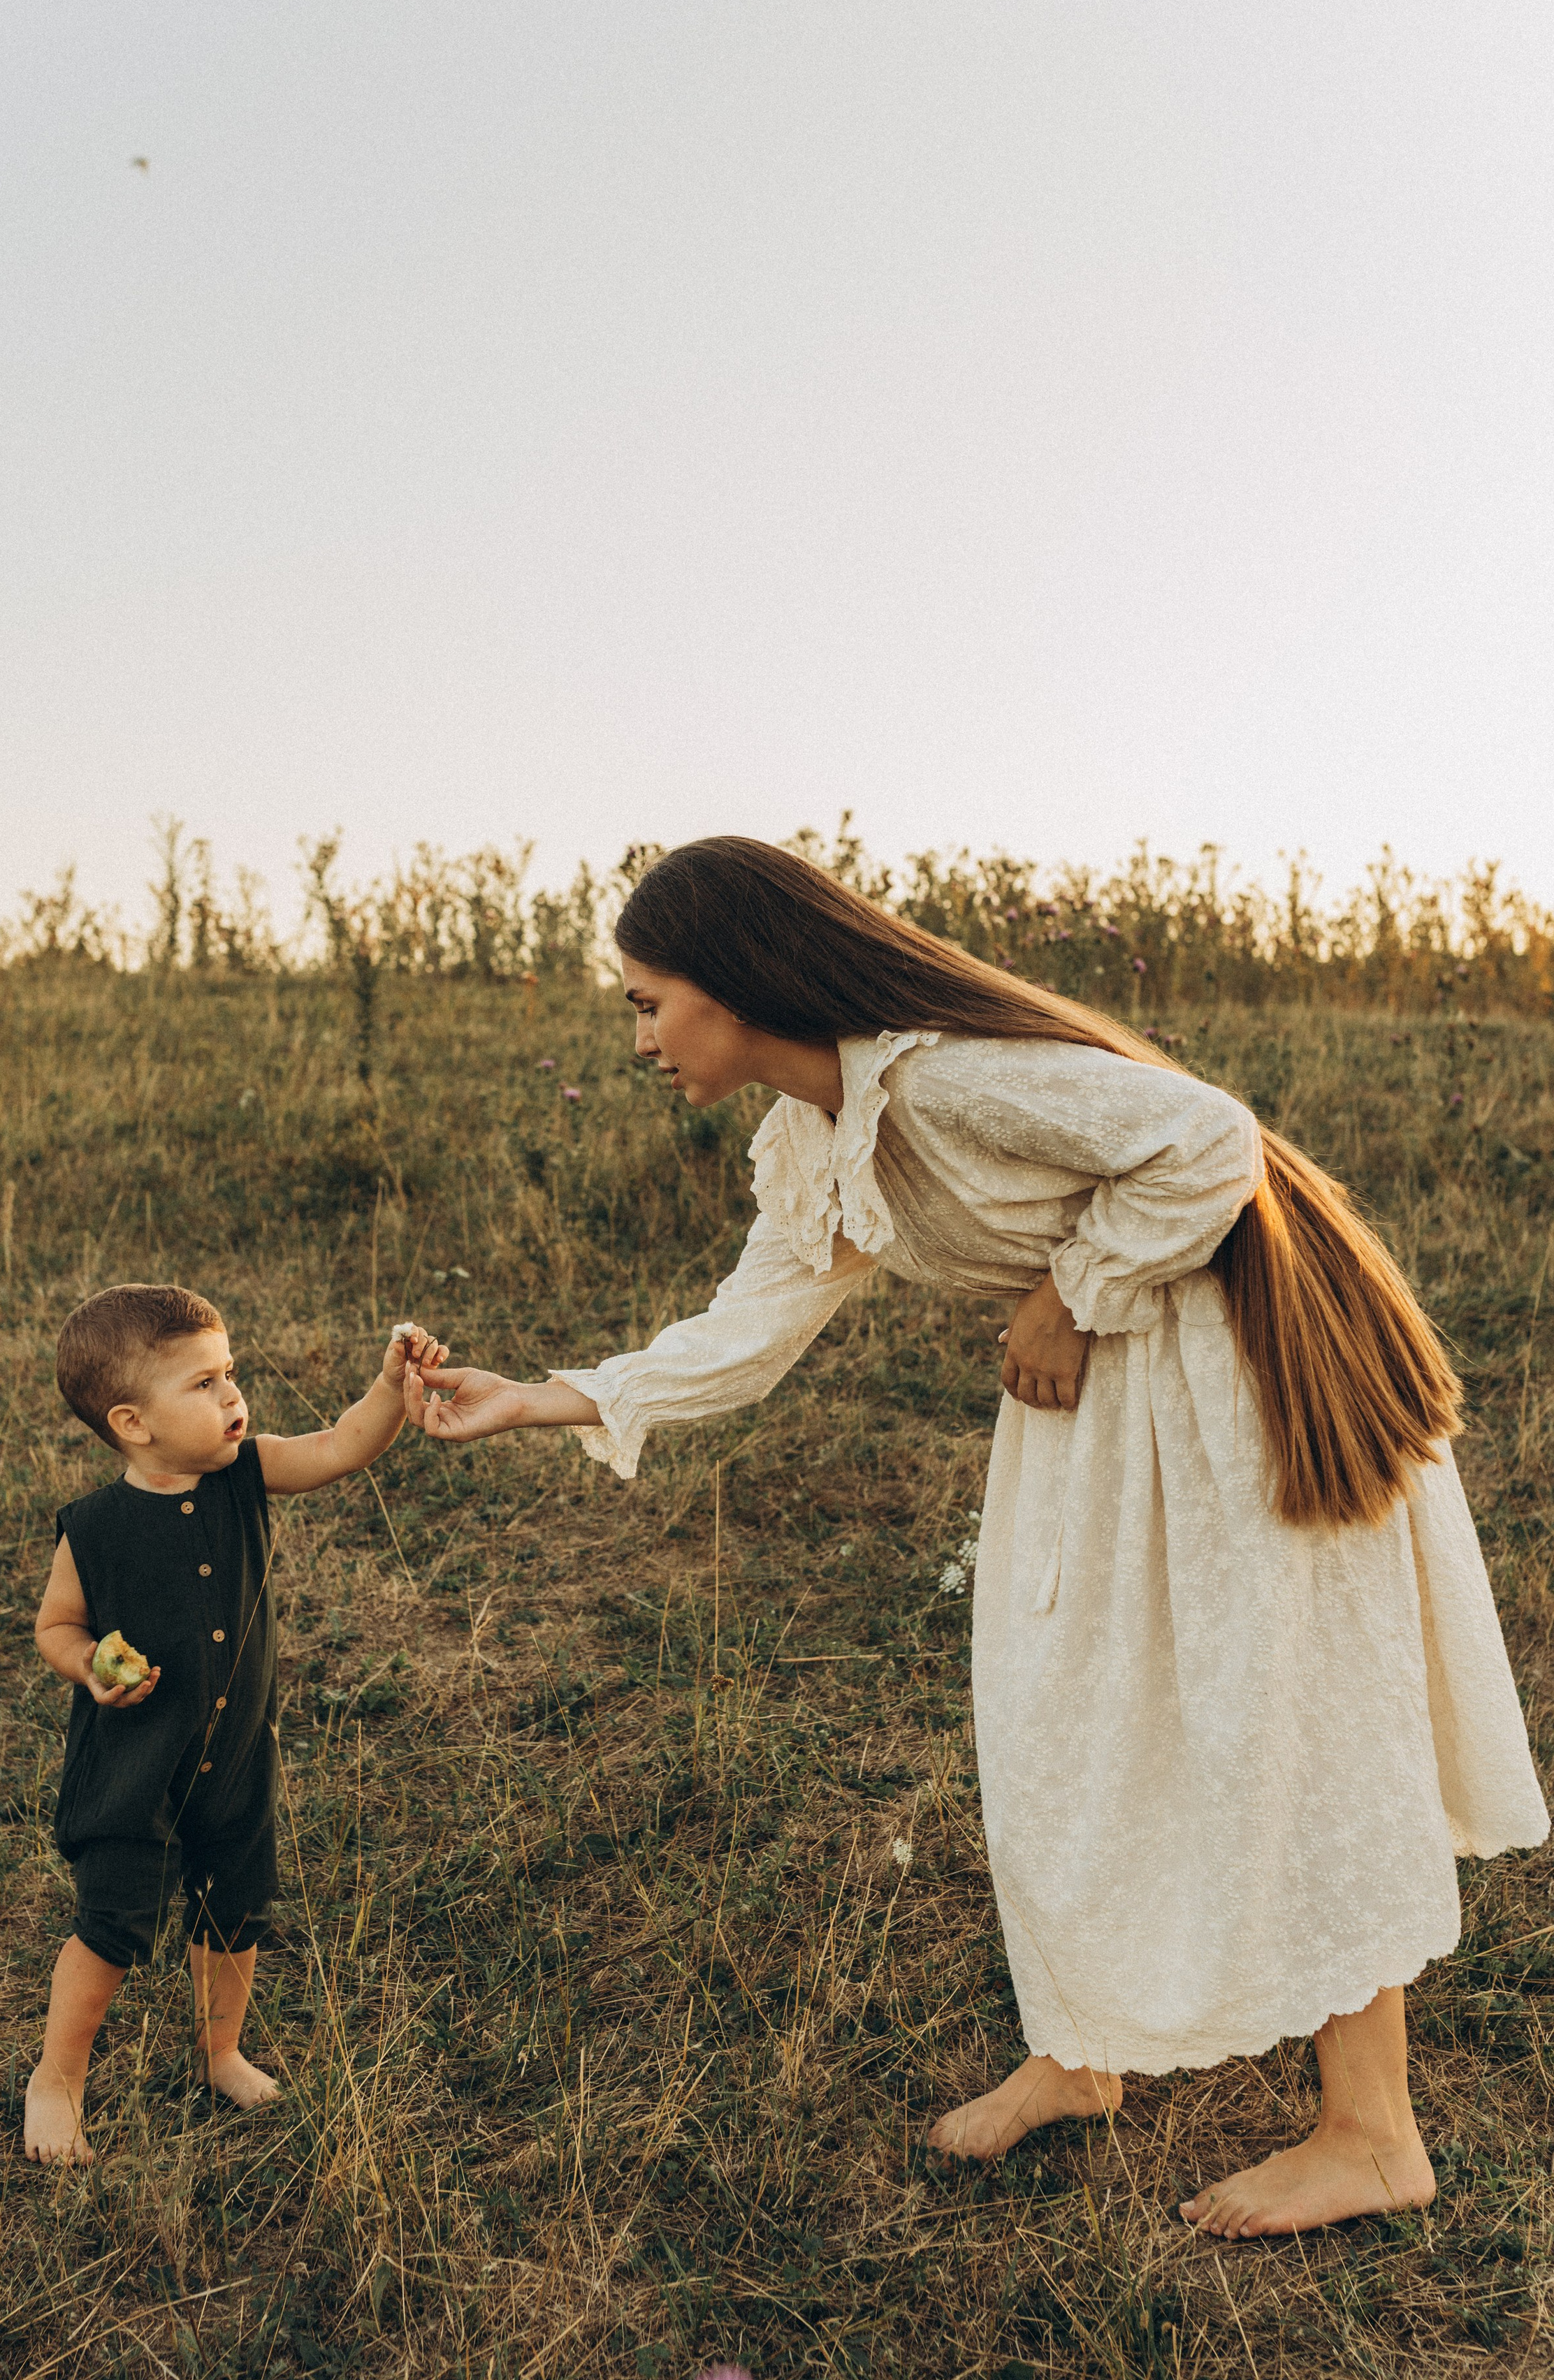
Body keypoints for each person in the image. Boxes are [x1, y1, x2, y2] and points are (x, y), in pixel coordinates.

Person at [406, 836, 1548, 2237]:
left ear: (737, 981)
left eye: (648, 1000)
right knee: (1055, 1713)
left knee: (1272, 1726)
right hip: (1104, 1412)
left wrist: (1069, 1292)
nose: (639, 1035)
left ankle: (1372, 2132)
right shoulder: (815, 1129)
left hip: (1223, 1389)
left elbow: (1204, 1141)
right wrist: (546, 1397)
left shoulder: (939, 1075)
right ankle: (1080, 2052)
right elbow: (757, 1320)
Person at [24, 1283, 445, 2168]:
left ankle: (221, 2053)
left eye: (231, 1375)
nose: (232, 1399)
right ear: (132, 1423)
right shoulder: (96, 1531)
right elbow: (56, 1626)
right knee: (110, 1927)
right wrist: (90, 1665)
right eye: (205, 1384)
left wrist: (387, 1388)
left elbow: (341, 1446)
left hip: (237, 1757)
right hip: (134, 1768)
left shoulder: (246, 1472)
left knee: (233, 1913)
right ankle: (58, 2077)